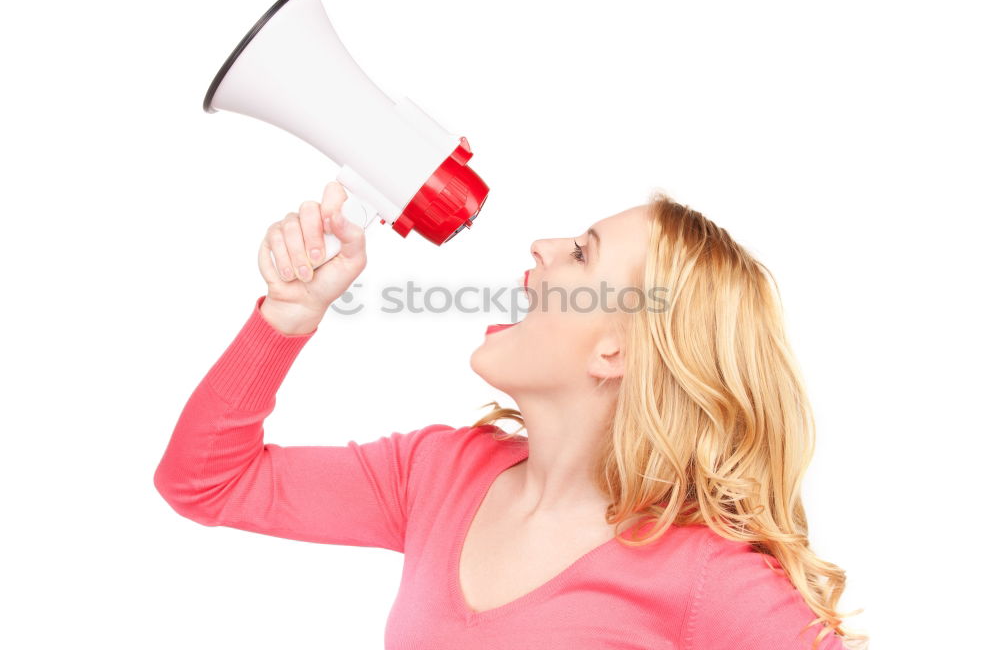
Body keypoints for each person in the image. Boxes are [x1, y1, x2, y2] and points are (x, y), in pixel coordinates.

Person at [154, 181, 868, 649]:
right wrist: (285, 318)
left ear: (617, 350)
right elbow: (206, 483)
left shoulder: (704, 573)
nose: (543, 248)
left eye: (582, 254)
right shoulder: (439, 473)